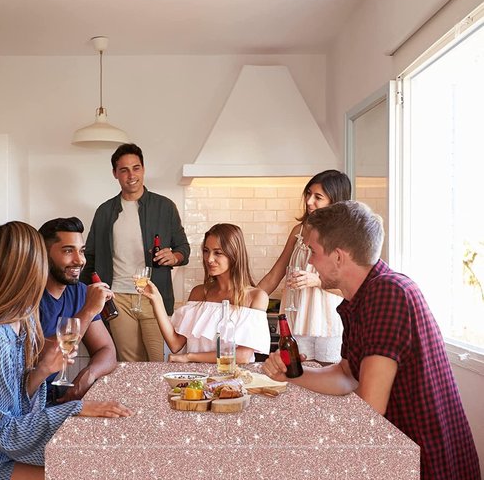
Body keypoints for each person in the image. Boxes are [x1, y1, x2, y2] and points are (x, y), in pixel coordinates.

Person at [263, 201, 484, 480]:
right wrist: (290, 375)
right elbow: (345, 375)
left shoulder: (387, 294)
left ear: (338, 256)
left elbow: (370, 407)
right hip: (407, 471)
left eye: (313, 251)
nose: (309, 262)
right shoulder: (367, 296)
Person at [0, 221, 132, 480]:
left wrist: (42, 370)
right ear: (26, 270)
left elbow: (11, 405)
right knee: (94, 478)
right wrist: (77, 408)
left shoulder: (22, 324)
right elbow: (3, 431)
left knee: (98, 465)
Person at [80, 143, 190, 363]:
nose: (131, 175)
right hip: (118, 298)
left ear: (143, 169)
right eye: (124, 170)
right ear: (115, 174)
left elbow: (183, 249)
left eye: (136, 168)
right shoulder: (104, 212)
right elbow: (89, 257)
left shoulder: (165, 207)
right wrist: (83, 298)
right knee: (128, 365)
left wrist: (174, 257)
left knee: (157, 363)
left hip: (153, 297)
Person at [258, 170, 351, 364]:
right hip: (297, 318)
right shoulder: (298, 231)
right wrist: (248, 301)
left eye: (318, 197)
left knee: (329, 379)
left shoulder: (345, 236)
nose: (309, 201)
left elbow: (351, 288)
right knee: (297, 377)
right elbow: (275, 274)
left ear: (335, 201)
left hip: (328, 323)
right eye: (308, 194)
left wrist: (317, 281)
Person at [143, 223, 270, 363]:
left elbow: (243, 356)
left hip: (231, 381)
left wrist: (190, 357)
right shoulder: (199, 293)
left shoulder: (255, 297)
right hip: (195, 381)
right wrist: (156, 300)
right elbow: (175, 344)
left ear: (234, 254)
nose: (209, 259)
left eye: (218, 253)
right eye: (206, 251)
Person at [38, 217, 118, 403]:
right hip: (24, 403)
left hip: (52, 396)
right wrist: (88, 311)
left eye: (81, 251)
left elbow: (107, 350)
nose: (79, 260)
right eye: (68, 251)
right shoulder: (29, 296)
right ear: (44, 254)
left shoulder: (81, 291)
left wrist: (88, 375)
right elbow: (41, 358)